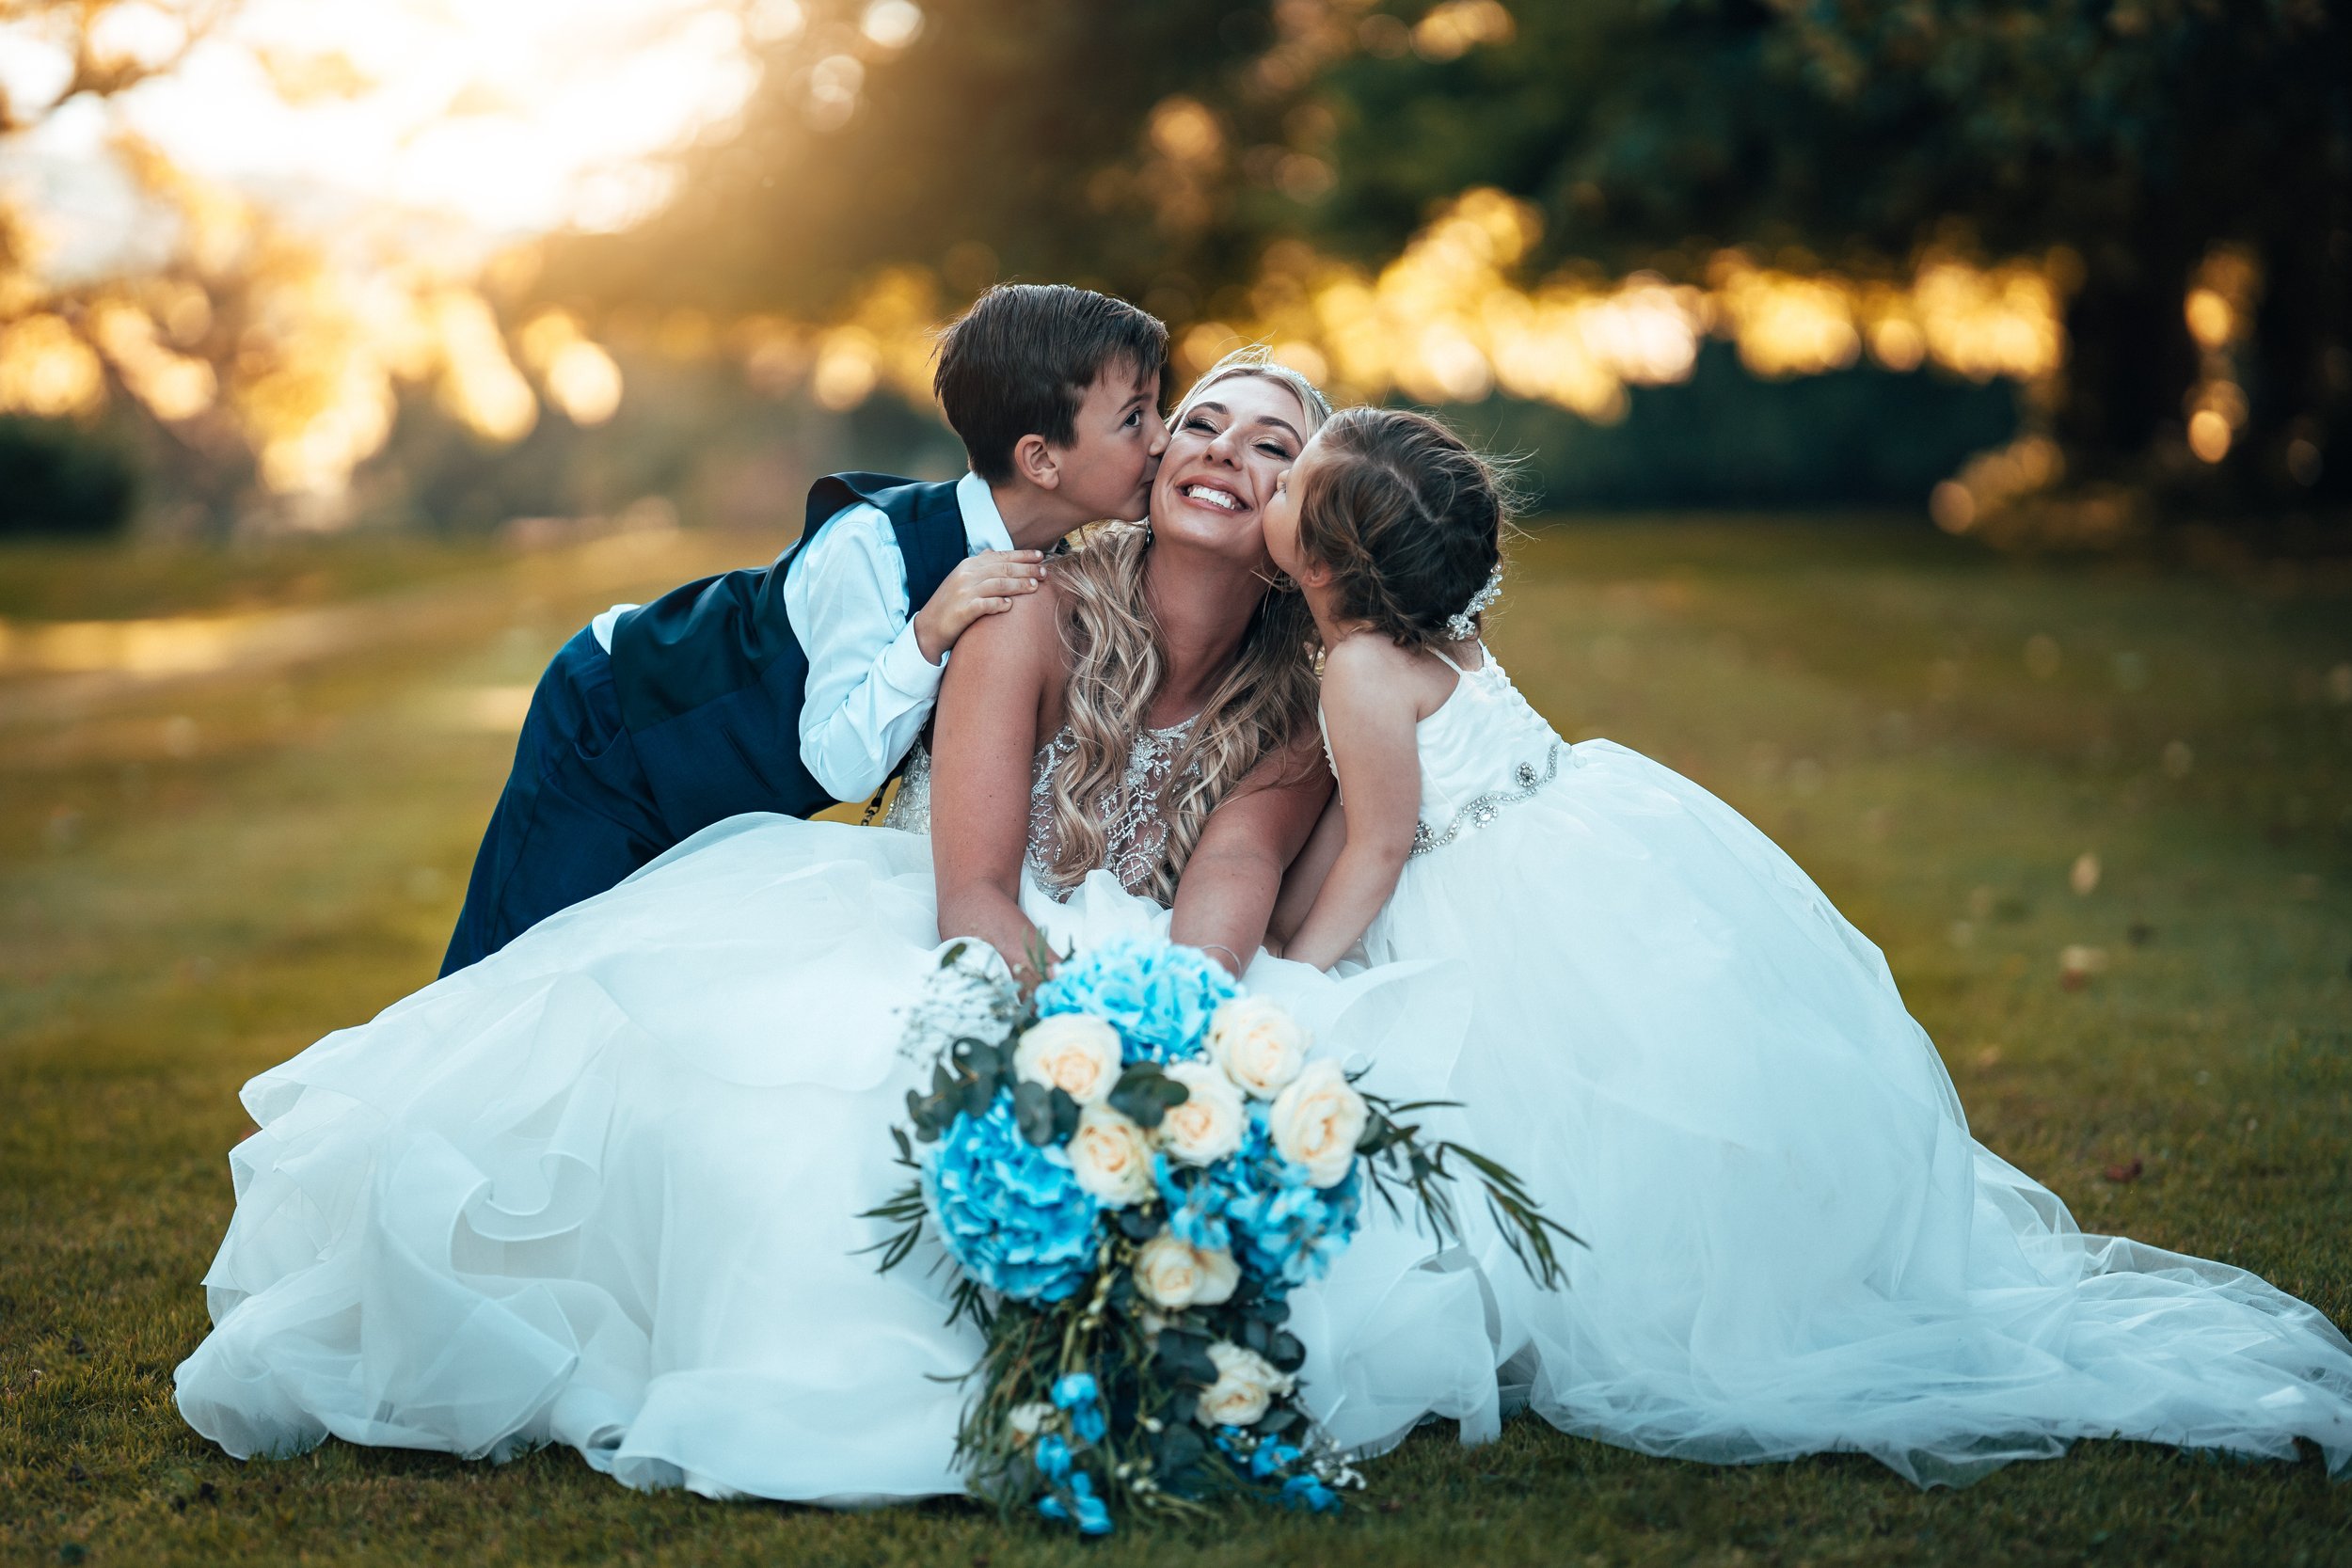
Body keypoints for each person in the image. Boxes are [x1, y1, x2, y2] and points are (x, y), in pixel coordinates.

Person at [174, 353, 1504, 1503]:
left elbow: (1235, 867)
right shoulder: (1023, 601)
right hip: (937, 921)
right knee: (803, 1127)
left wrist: (1176, 1050)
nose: (1224, 452)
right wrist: (1038, 1033)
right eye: (1201, 421)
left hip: (1125, 951)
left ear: (1305, 515)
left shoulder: (1304, 693)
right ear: (1152, 457)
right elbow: (974, 885)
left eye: (1275, 445)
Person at [1261, 404, 2352, 1483]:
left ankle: (1588, 1302)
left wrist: (1289, 974)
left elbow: (1378, 846)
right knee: (1603, 1104)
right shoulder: (1431, 631)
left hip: (1489, 899)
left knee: (1534, 1102)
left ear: (1324, 564)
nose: (1273, 484)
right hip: (1572, 844)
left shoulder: (1359, 669)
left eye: (1290, 482)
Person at [437, 283, 1169, 975]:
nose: (1165, 440)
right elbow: (839, 764)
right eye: (1135, 418)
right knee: (513, 972)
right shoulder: (872, 546)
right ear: (1041, 458)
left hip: (720, 779)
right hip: (619, 723)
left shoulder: (1058, 570)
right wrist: (926, 635)